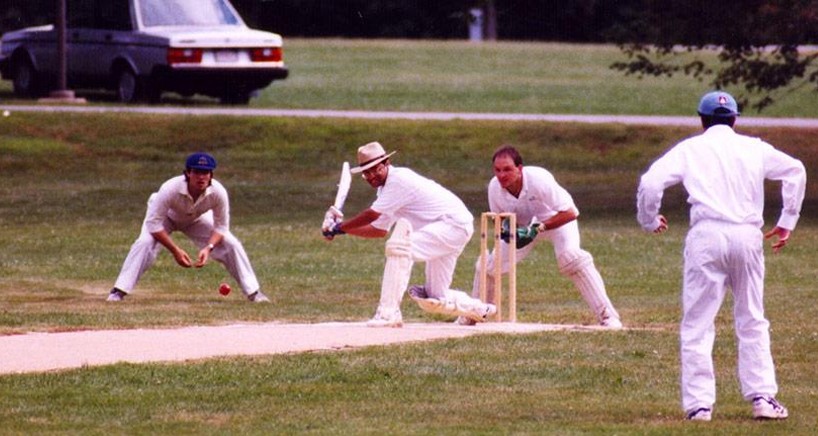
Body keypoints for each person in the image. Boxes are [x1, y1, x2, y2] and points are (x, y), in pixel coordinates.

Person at [637, 91, 806, 421]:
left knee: (698, 322)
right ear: (735, 119)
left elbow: (651, 182)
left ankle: (699, 405)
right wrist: (787, 221)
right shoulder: (754, 148)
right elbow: (795, 170)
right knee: (752, 318)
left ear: (701, 120)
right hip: (746, 235)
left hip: (707, 235)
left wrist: (649, 219)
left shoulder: (690, 149)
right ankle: (762, 398)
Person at [322, 141, 497, 327]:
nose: (371, 175)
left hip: (452, 224)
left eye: (375, 169)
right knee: (434, 297)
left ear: (386, 163)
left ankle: (388, 313)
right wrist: (340, 230)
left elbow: (371, 215)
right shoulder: (385, 192)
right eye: (366, 172)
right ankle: (478, 310)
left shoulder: (399, 180)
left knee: (400, 247)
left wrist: (340, 227)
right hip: (447, 229)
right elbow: (378, 230)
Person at [463, 145, 622, 328]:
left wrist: (539, 228)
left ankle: (608, 316)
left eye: (507, 169)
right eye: (497, 170)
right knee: (490, 266)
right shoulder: (494, 187)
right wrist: (509, 232)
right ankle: (473, 313)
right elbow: (499, 221)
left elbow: (571, 212)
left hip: (556, 221)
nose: (502, 175)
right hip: (523, 229)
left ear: (520, 169)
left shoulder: (539, 179)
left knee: (572, 259)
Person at [108, 152, 269, 303]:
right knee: (144, 243)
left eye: (205, 172)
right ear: (187, 173)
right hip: (165, 218)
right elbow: (153, 224)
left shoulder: (218, 192)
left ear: (211, 175)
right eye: (197, 172)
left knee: (231, 244)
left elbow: (221, 227)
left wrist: (208, 248)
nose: (201, 177)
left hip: (195, 218)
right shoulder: (170, 188)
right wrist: (175, 250)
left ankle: (254, 292)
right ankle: (118, 290)